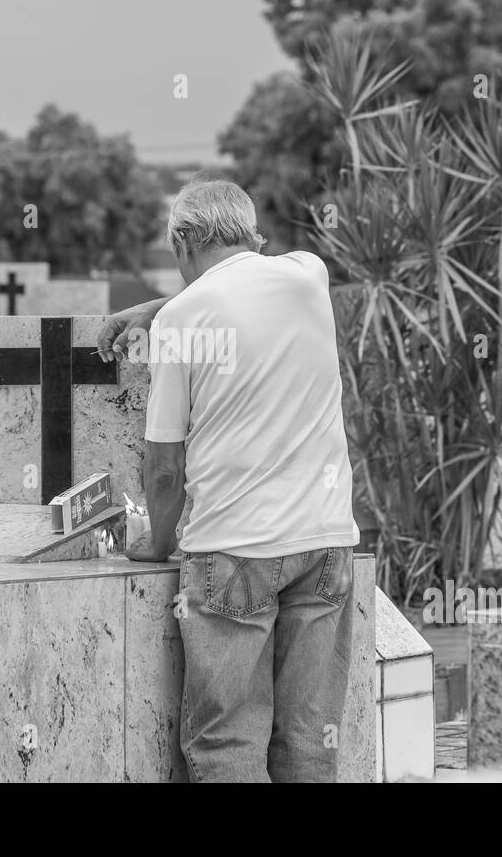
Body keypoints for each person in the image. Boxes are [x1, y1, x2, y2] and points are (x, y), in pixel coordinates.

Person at [97, 178, 359, 783]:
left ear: (185, 238)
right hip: (325, 544)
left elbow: (165, 465)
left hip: (234, 550)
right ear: (250, 232)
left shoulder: (184, 317)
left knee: (227, 745)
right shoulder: (308, 275)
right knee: (309, 739)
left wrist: (156, 545)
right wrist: (156, 310)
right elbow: (245, 285)